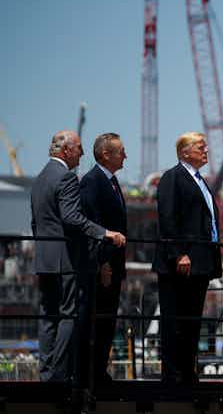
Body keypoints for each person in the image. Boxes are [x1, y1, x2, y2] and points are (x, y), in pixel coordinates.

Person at [30, 130, 126, 382]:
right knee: (68, 315)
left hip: (44, 257)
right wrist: (105, 233)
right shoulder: (67, 178)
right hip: (66, 259)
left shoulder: (40, 178)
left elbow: (35, 222)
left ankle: (47, 372)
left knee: (47, 315)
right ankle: (60, 375)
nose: (83, 153)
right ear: (66, 150)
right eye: (79, 148)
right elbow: (72, 218)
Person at [152, 132, 222, 387]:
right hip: (179, 263)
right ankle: (172, 375)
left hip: (200, 263)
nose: (206, 151)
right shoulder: (173, 177)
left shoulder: (199, 180)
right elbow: (168, 218)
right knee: (175, 320)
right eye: (201, 147)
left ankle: (187, 372)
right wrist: (179, 252)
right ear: (184, 152)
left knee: (192, 320)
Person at [78, 133, 128, 385]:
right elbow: (94, 223)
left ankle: (99, 370)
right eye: (121, 151)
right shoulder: (92, 181)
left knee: (108, 320)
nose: (125, 156)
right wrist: (104, 263)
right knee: (98, 320)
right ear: (105, 154)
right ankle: (91, 374)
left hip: (115, 264)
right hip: (103, 266)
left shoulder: (112, 181)